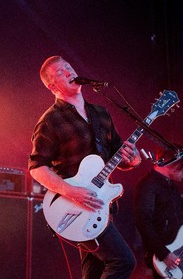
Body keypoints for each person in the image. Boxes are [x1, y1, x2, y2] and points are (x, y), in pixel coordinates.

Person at [28, 55, 142, 278]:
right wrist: (71, 192)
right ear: (52, 86)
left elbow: (121, 154)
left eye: (69, 67)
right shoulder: (50, 120)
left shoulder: (101, 113)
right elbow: (36, 167)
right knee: (123, 261)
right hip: (74, 205)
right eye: (61, 72)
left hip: (101, 205)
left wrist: (134, 157)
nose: (69, 72)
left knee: (94, 271)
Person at [134, 144, 183, 278]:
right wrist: (164, 253)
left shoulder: (170, 185)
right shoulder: (148, 186)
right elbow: (143, 222)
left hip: (177, 252)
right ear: (172, 165)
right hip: (165, 256)